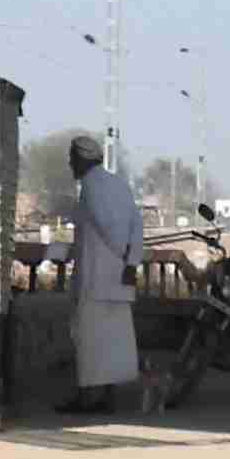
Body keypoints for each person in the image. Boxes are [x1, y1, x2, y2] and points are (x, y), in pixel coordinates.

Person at [56, 133, 141, 418]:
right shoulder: (119, 184)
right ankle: (107, 398)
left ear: (82, 159)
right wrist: (131, 262)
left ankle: (87, 399)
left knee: (90, 341)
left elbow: (109, 228)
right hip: (119, 277)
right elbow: (136, 225)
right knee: (113, 340)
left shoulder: (91, 187)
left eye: (72, 158)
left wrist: (121, 255)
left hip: (96, 278)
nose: (70, 164)